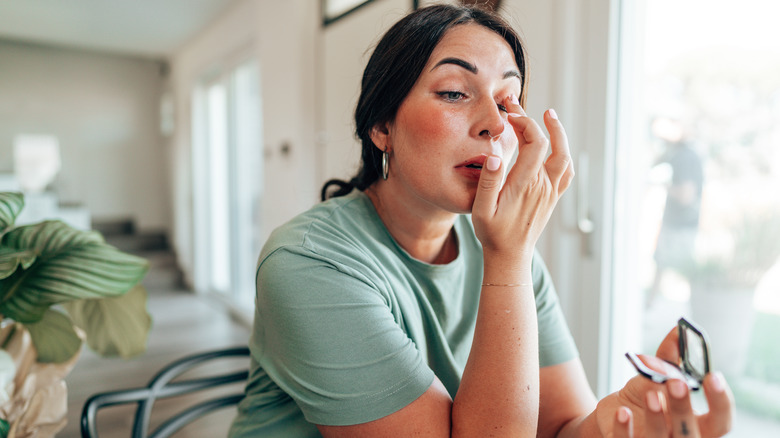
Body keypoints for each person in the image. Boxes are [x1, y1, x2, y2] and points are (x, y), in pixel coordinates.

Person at [229, 4, 733, 437]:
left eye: (508, 100)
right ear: (381, 126)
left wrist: (620, 418)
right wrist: (509, 258)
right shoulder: (309, 264)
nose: (496, 124)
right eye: (454, 92)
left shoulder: (506, 253)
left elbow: (559, 427)